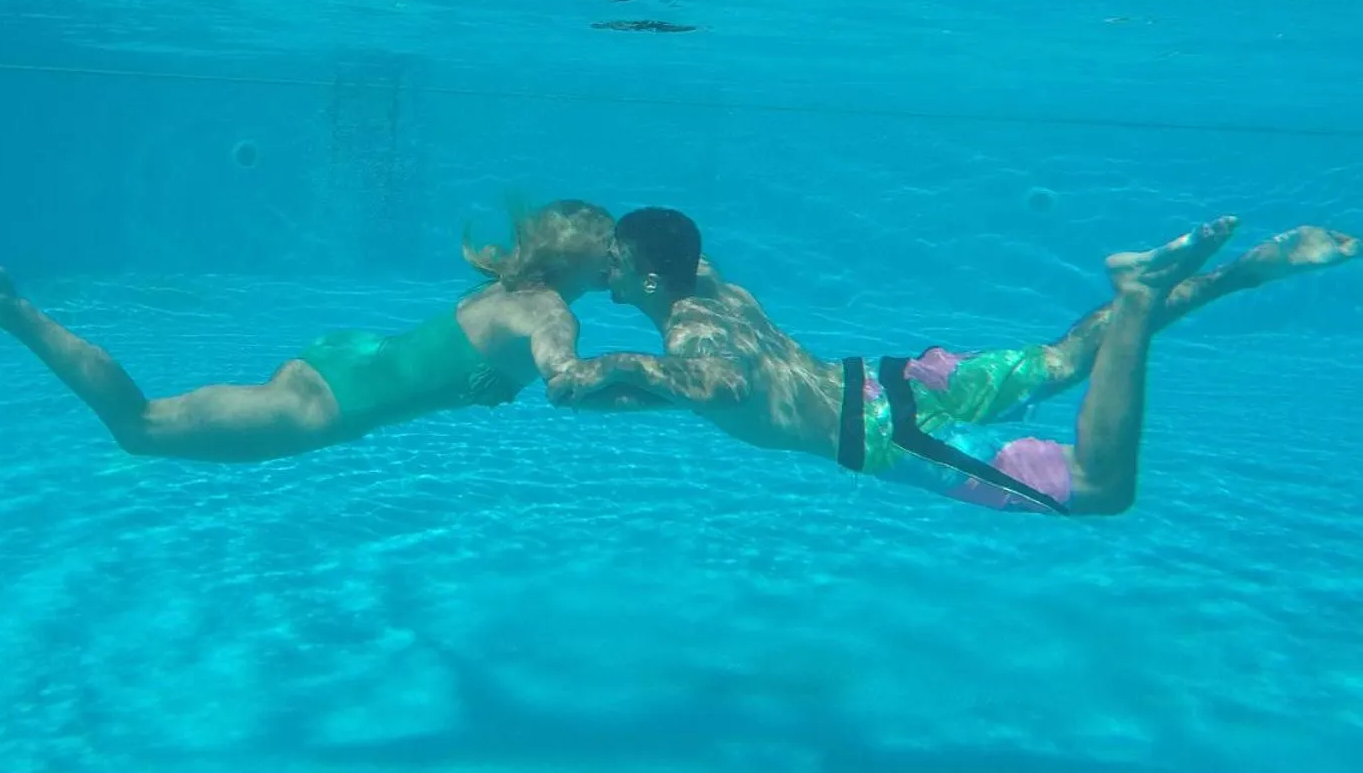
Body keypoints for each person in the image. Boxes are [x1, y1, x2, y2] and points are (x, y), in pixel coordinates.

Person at [547, 207, 1359, 516]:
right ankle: (1247, 270)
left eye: (612, 263)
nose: (604, 273)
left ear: (647, 273)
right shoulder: (714, 289)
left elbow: (719, 382)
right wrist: (614, 387)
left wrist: (607, 364)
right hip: (892, 377)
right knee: (1065, 353)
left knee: (1100, 488)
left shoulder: (688, 339)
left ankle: (1142, 292)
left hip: (886, 430)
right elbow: (724, 386)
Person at [0, 199, 659, 462]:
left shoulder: (512, 284)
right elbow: (563, 377)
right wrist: (665, 384)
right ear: (582, 262)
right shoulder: (548, 312)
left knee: (150, 429)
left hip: (345, 358)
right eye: (609, 261)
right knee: (140, 427)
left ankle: (5, 308)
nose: (613, 274)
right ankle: (7, 308)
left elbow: (469, 358)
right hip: (324, 405)